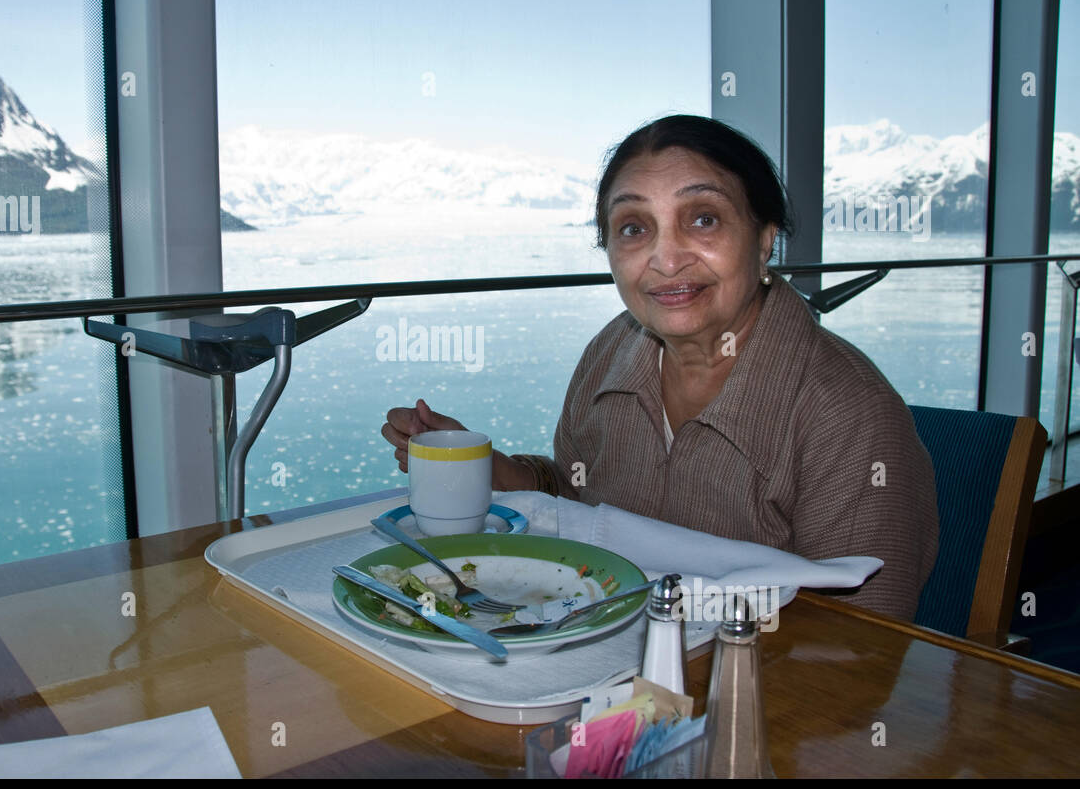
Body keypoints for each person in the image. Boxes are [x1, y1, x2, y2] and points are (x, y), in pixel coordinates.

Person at [382, 114, 939, 622]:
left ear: (765, 241)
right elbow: (581, 503)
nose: (667, 259)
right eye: (633, 227)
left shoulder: (847, 413)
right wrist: (486, 467)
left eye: (703, 218)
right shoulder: (611, 353)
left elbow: (869, 638)